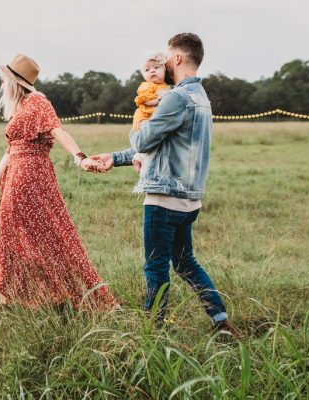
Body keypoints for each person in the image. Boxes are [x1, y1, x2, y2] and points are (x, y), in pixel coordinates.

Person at [89, 33, 239, 335]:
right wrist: (115, 158)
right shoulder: (201, 98)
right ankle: (220, 321)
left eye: (167, 57)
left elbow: (144, 139)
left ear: (179, 58)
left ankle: (152, 333)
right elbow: (164, 146)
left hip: (164, 197)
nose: (164, 63)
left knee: (156, 266)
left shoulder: (175, 97)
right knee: (185, 263)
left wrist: (139, 125)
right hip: (189, 199)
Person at [0, 53, 117, 309]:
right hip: (16, 176)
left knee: (48, 236)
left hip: (30, 177)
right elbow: (9, 152)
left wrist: (80, 157)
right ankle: (18, 298)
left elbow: (57, 129)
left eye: (4, 79)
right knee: (17, 237)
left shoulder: (38, 102)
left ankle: (55, 296)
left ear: (14, 81)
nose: (1, 84)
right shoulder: (21, 108)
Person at [131, 52, 170, 177]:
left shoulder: (165, 86)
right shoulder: (146, 85)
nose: (152, 71)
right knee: (148, 133)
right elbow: (143, 99)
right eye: (147, 70)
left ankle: (138, 157)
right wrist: (157, 101)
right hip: (144, 116)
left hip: (154, 116)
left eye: (156, 68)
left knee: (154, 140)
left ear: (164, 71)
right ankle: (140, 160)